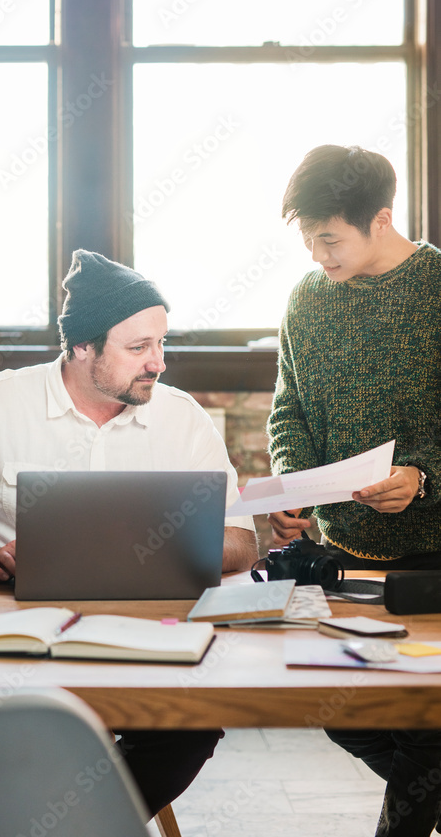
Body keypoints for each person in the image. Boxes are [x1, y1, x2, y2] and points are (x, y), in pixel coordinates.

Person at [0, 249, 258, 819]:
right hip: (14, 640)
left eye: (161, 344)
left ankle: (70, 826)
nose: (158, 363)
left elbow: (240, 541)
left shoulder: (181, 418)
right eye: (138, 348)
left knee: (188, 728)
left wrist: (146, 548)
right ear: (82, 347)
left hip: (144, 642)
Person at [266, 144, 441, 837]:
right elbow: (290, 411)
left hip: (432, 555)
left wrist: (423, 479)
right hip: (345, 554)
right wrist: (290, 482)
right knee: (336, 709)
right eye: (308, 241)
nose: (317, 256)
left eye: (329, 240)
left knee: (427, 726)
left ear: (380, 218)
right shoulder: (306, 301)